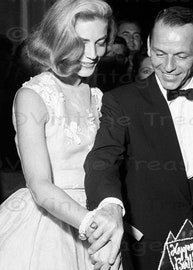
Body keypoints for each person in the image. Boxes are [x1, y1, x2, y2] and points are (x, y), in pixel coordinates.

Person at [84, 6, 193, 270]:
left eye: (181, 56)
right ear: (149, 45)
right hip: (151, 249)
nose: (168, 66)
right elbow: (102, 160)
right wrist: (109, 205)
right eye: (160, 53)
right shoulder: (122, 101)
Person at [0, 0, 117, 269]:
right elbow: (40, 186)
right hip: (49, 225)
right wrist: (95, 227)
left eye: (100, 42)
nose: (92, 54)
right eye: (82, 43)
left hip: (101, 212)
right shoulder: (32, 96)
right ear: (60, 39)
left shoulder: (100, 97)